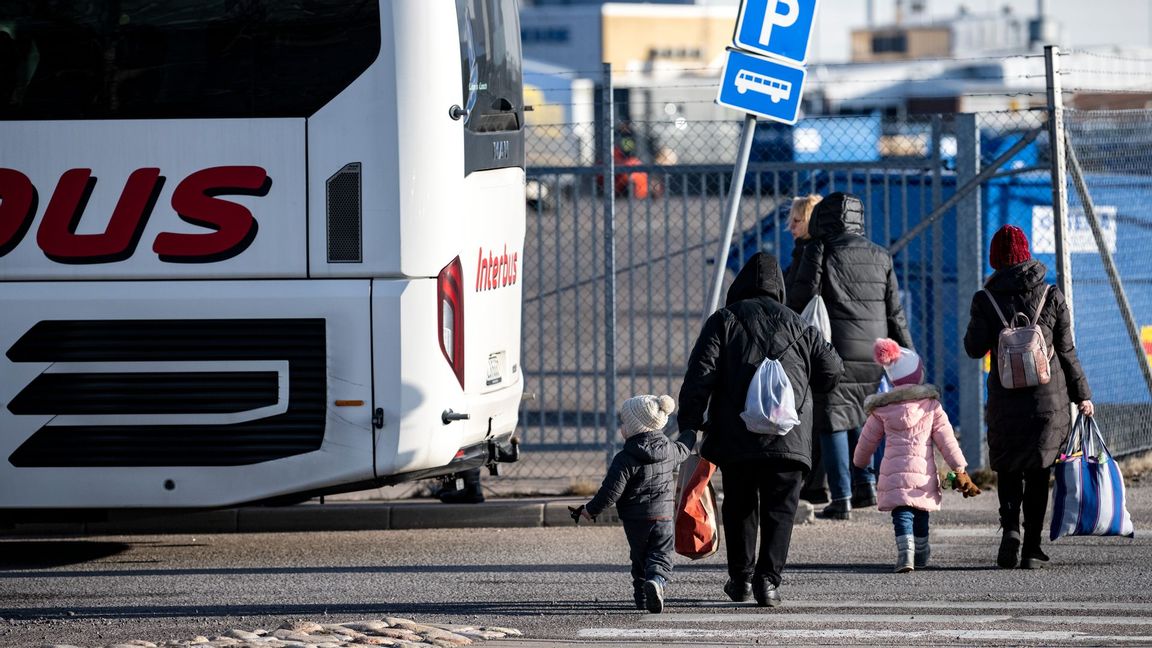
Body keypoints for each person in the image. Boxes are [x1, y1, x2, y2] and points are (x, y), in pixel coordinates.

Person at [679, 252, 842, 607]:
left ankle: (740, 580)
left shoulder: (724, 320)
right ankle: (768, 583)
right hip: (789, 436)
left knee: (738, 504)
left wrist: (689, 425)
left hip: (737, 435)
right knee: (780, 508)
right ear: (778, 288)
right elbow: (831, 372)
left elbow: (699, 376)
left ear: (739, 286)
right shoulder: (800, 325)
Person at [963, 224, 1093, 570]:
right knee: (1039, 471)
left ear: (995, 259)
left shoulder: (985, 298)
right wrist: (1084, 395)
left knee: (1008, 469)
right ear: (1027, 254)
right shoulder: (1052, 294)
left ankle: (1011, 533)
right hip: (1047, 402)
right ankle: (1032, 548)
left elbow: (973, 349)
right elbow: (1067, 351)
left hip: (1006, 401)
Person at [785, 192, 914, 520]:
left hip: (834, 348)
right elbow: (894, 311)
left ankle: (840, 497)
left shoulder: (820, 249)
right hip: (874, 352)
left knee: (832, 420)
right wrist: (906, 354)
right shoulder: (880, 255)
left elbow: (803, 294)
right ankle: (865, 487)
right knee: (861, 415)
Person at [853, 338, 982, 573]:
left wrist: (859, 462)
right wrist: (959, 468)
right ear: (917, 375)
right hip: (922, 474)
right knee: (921, 513)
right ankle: (921, 551)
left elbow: (867, 440)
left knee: (902, 514)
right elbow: (947, 440)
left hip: (893, 474)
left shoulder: (882, 409)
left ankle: (905, 554)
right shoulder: (930, 406)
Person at [578, 394, 695, 613]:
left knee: (639, 559)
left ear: (635, 427)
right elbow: (685, 447)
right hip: (663, 516)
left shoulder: (624, 458)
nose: (622, 427)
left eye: (625, 423)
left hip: (635, 520)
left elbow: (610, 492)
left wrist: (590, 510)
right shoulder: (670, 450)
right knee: (660, 554)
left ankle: (642, 598)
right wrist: (691, 432)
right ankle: (657, 581)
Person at [782, 194, 827, 505]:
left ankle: (815, 482)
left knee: (811, 412)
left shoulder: (811, 252)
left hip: (808, 339)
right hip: (812, 338)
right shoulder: (805, 250)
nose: (790, 227)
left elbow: (802, 291)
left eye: (796, 221)